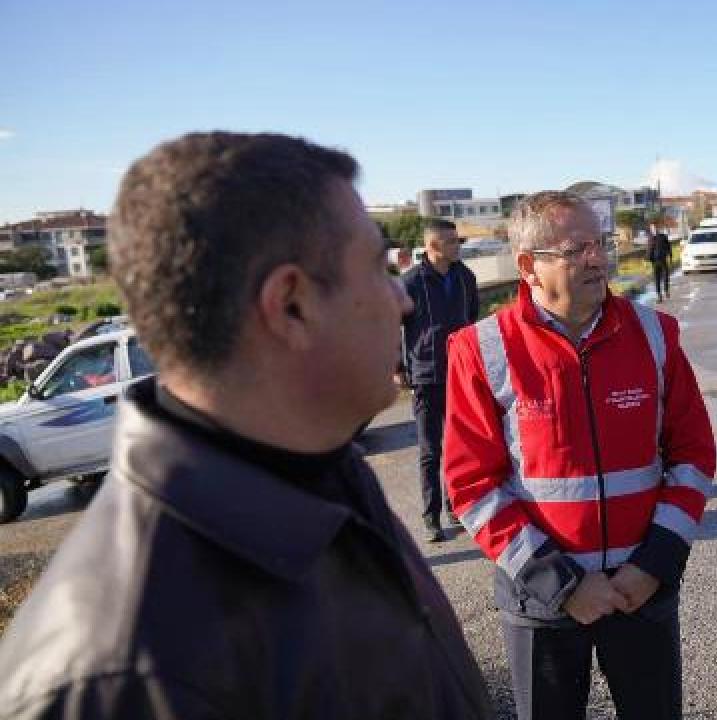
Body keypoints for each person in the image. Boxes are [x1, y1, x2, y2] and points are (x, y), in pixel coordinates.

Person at [0, 132, 491, 719]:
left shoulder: (321, 466)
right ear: (291, 305)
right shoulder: (121, 678)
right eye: (377, 270)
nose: (402, 301)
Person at [444, 191, 716, 720]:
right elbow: (471, 484)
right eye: (577, 249)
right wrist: (562, 586)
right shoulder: (482, 349)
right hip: (542, 600)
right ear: (528, 267)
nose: (598, 258)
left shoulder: (656, 334)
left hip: (643, 589)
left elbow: (693, 456)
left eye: (601, 243)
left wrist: (653, 565)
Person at [401, 217, 479, 541]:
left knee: (459, 447)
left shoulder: (465, 277)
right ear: (433, 246)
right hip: (426, 374)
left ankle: (455, 508)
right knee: (430, 449)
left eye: (458, 240)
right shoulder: (411, 282)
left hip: (460, 374)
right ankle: (431, 516)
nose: (458, 245)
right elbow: (395, 325)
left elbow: (472, 316)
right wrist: (398, 367)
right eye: (452, 241)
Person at [648, 223, 673, 301]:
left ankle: (666, 290)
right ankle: (659, 296)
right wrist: (648, 259)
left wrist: (670, 256)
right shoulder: (650, 238)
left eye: (654, 228)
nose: (653, 229)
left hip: (663, 260)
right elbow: (649, 250)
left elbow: (669, 246)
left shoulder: (663, 236)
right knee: (657, 279)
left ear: (657, 228)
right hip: (654, 262)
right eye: (652, 228)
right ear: (651, 229)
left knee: (666, 276)